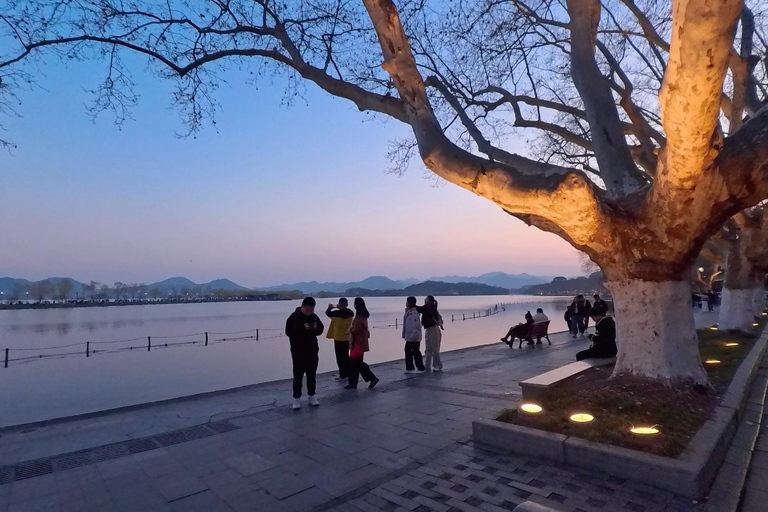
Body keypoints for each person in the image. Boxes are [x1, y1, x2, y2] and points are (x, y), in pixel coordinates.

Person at [285, 297, 324, 409]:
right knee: (298, 376)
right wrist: (303, 329)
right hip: (298, 352)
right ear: (303, 306)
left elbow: (320, 330)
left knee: (312, 375)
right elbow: (288, 332)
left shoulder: (314, 317)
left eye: (311, 309)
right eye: (307, 309)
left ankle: (312, 396)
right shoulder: (294, 317)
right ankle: (296, 399)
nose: (309, 312)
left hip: (312, 351)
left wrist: (314, 328)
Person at [345, 297, 380, 389]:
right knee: (355, 363)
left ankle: (372, 378)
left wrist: (350, 330)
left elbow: (356, 330)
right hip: (360, 343)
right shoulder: (363, 316)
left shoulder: (360, 318)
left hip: (358, 344)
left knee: (355, 362)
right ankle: (353, 383)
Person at [325, 298, 354, 382]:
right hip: (347, 337)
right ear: (347, 304)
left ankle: (343, 375)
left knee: (339, 357)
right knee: (346, 356)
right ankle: (349, 373)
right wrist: (340, 307)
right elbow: (344, 311)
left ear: (339, 304)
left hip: (338, 338)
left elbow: (328, 313)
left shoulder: (336, 314)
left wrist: (330, 307)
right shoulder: (351, 313)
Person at [417, 295, 443, 372]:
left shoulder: (431, 308)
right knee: (428, 349)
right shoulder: (427, 308)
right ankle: (427, 366)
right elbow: (421, 309)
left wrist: (414, 307)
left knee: (435, 349)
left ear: (429, 301)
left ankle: (437, 365)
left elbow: (422, 309)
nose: (425, 300)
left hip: (434, 329)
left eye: (426, 299)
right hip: (428, 329)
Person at [402, 296, 425, 373]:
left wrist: (413, 336)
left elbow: (416, 325)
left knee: (414, 351)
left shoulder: (414, 313)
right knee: (411, 350)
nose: (406, 303)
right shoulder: (408, 312)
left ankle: (418, 367)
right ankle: (412, 367)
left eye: (407, 302)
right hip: (410, 336)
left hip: (414, 336)